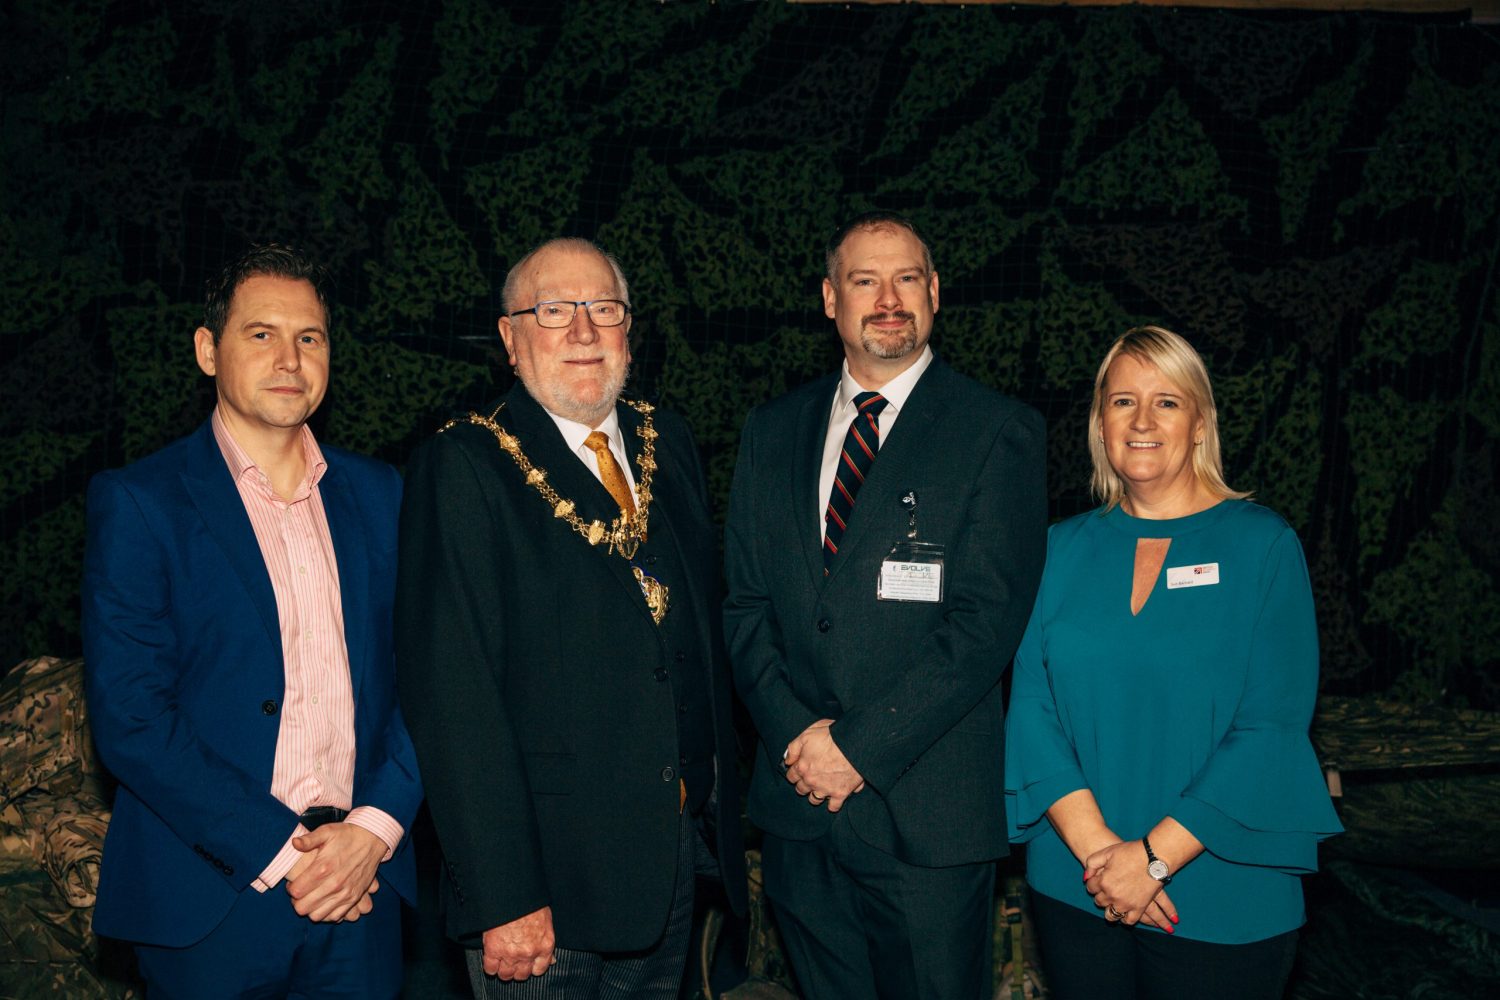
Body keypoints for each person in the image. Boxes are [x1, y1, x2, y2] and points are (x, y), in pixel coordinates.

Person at [395, 237, 746, 999]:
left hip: (671, 865)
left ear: (629, 328)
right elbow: (453, 700)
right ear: (509, 339)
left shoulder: (667, 441)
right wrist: (505, 895)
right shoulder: (464, 467)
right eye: (554, 311)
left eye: (604, 309)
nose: (584, 332)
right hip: (547, 888)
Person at [82, 243, 423, 998]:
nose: (289, 358)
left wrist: (377, 827)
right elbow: (132, 716)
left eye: (310, 337)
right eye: (260, 333)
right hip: (213, 895)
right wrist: (284, 851)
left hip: (361, 888)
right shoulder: (141, 502)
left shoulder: (382, 494)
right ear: (208, 350)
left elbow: (431, 676)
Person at [724, 211, 1047, 999]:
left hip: (925, 818)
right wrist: (799, 737)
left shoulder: (996, 429)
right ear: (830, 300)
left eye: (907, 278)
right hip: (801, 809)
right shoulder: (772, 431)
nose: (888, 298)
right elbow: (743, 606)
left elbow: (984, 625)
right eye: (865, 281)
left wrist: (857, 749)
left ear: (935, 293)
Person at [1005, 325, 1344, 999]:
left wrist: (1153, 859)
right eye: (1122, 400)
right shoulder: (1057, 550)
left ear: (1200, 424)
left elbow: (1269, 729)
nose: (1141, 419)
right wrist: (1105, 855)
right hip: (1080, 882)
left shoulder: (1263, 548)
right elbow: (1032, 708)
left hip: (1220, 886)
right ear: (1101, 424)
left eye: (1166, 401)